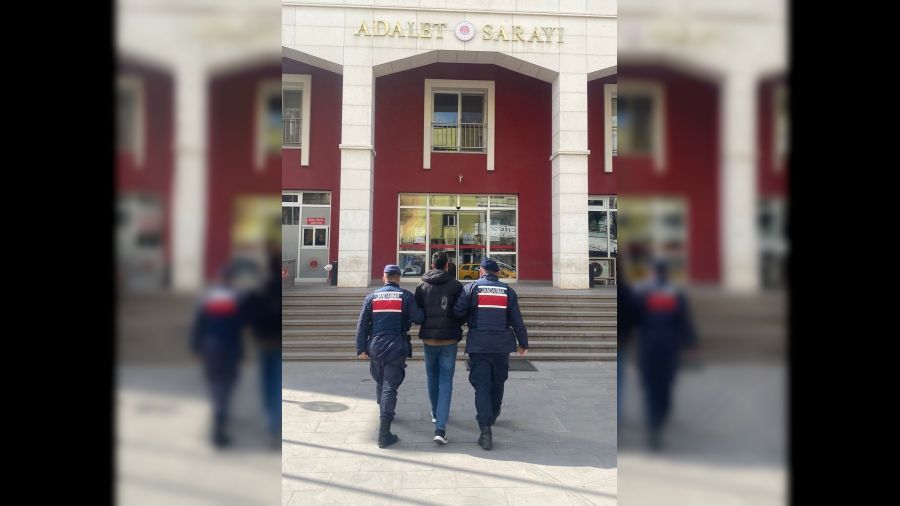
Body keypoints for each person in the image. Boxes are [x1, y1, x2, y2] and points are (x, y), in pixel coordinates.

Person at [453, 258, 528, 450]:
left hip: (479, 344)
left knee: (482, 386)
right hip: (502, 345)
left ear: (481, 271)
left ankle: (485, 430)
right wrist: (523, 343)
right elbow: (517, 320)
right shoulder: (508, 291)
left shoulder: (471, 288)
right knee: (498, 380)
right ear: (498, 273)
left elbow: (458, 312)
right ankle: (493, 412)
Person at [355, 264, 424, 448]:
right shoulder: (405, 296)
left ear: (383, 277)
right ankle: (384, 433)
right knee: (389, 387)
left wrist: (361, 349)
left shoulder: (372, 297)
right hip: (396, 347)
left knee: (381, 382)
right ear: (398, 278)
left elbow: (362, 325)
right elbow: (418, 318)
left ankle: (385, 412)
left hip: (375, 347)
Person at [633, 259, 698, 451]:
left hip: (649, 349)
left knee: (651, 389)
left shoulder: (644, 294)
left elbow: (635, 318)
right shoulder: (675, 294)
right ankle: (660, 417)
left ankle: (654, 427)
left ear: (653, 273)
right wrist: (691, 344)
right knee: (665, 387)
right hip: (669, 350)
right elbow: (684, 321)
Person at [190, 267, 250, 448]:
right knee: (226, 386)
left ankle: (218, 417)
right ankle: (219, 425)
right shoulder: (236, 300)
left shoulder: (208, 299)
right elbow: (240, 326)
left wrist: (196, 347)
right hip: (229, 349)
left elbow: (199, 324)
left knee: (216, 385)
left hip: (211, 348)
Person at [414, 251, 464, 444]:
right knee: (445, 381)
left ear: (432, 265)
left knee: (432, 377)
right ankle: (440, 429)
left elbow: (418, 313)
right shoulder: (456, 286)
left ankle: (436, 413)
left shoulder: (422, 285)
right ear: (446, 265)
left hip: (429, 339)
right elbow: (460, 311)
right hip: (449, 340)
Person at [249, 239, 282, 447]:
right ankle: (272, 426)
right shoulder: (276, 289)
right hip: (276, 342)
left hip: (264, 342)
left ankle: (270, 423)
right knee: (275, 384)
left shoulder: (261, 287)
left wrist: (257, 333)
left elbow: (251, 312)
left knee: (267, 384)